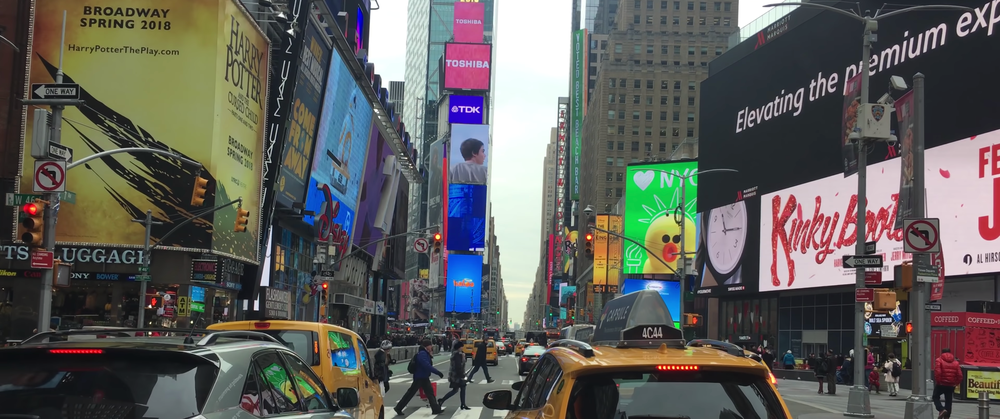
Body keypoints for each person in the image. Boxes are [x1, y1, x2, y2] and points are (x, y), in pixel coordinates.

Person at [394, 339, 445, 415]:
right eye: (430, 345)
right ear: (427, 346)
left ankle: (436, 409)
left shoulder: (425, 353)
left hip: (423, 377)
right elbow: (426, 365)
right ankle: (398, 408)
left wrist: (430, 355)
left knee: (430, 393)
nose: (431, 347)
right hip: (420, 377)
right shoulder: (422, 354)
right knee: (411, 393)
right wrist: (437, 372)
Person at [438, 341, 470, 410]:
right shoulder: (457, 355)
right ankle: (462, 404)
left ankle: (463, 404)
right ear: (459, 347)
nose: (462, 348)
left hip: (455, 375)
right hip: (456, 376)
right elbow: (458, 366)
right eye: (462, 346)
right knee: (457, 389)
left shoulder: (456, 354)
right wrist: (462, 375)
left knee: (459, 389)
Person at [932, 348, 962, 419]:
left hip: (941, 383)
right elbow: (960, 375)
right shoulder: (955, 362)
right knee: (948, 400)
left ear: (942, 353)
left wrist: (939, 381)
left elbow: (938, 372)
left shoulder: (939, 360)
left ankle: (941, 409)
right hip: (951, 384)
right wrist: (956, 383)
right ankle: (947, 416)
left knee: (935, 396)